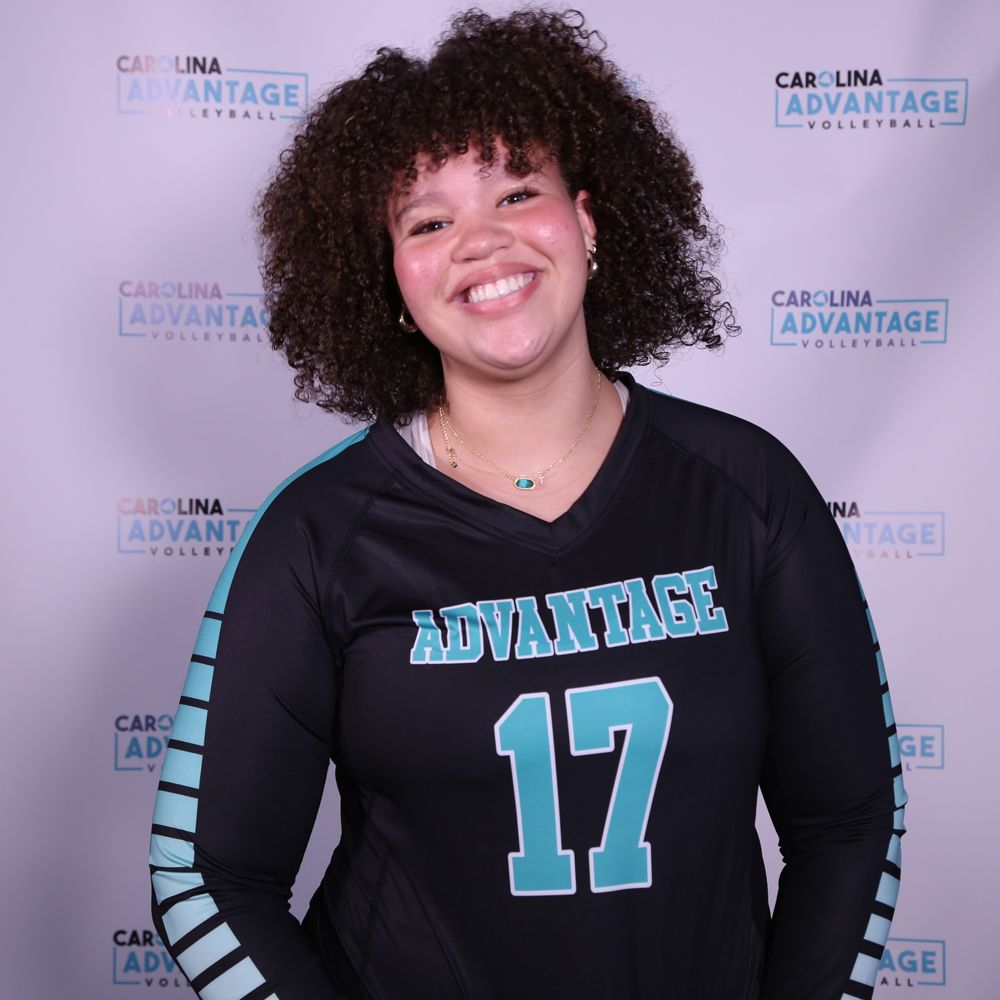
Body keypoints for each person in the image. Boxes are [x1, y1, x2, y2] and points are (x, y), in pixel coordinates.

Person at [149, 9, 905, 999]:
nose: (481, 241)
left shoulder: (748, 488)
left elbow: (848, 821)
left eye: (516, 192)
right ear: (391, 280)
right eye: (428, 222)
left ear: (586, 221)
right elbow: (206, 876)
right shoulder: (318, 535)